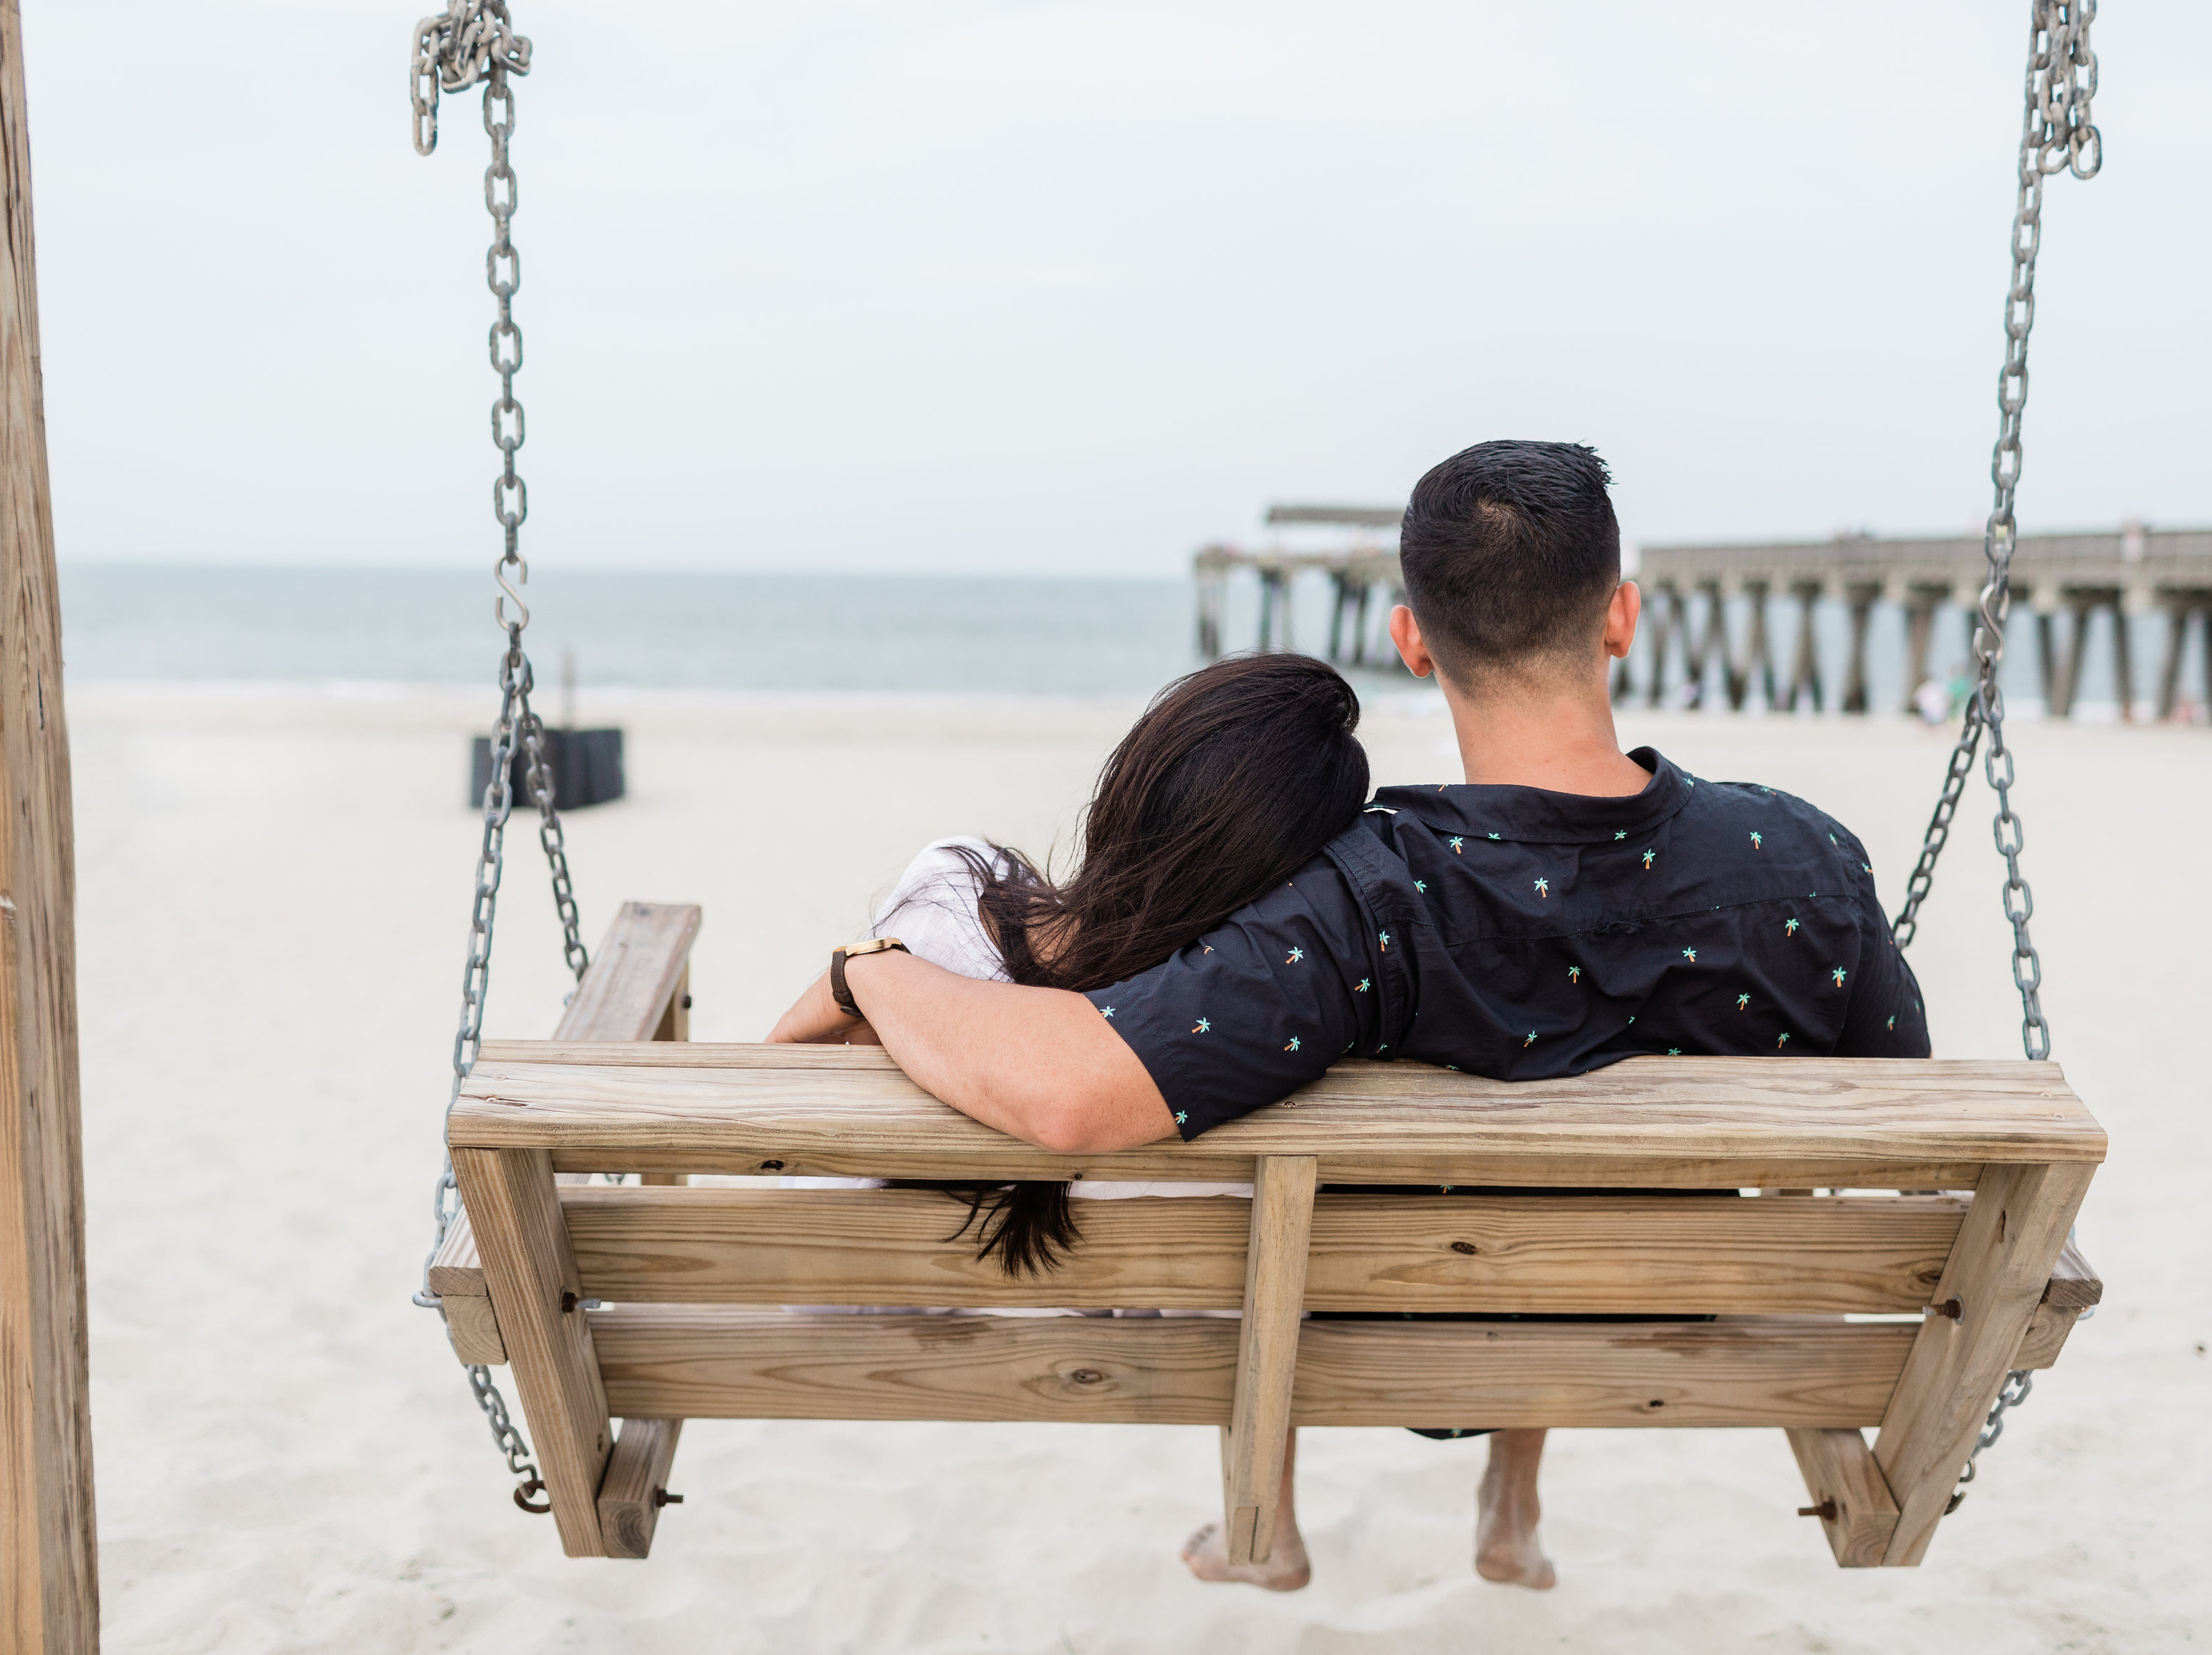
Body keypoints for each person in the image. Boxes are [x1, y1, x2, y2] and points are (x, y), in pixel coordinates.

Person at [774, 439, 1928, 1593]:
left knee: (1277, 1114)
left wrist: (868, 970)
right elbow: (1912, 1140)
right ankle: (1513, 1500)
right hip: (1649, 1326)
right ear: (1621, 617)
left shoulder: (1364, 904)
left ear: (1412, 640)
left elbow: (1075, 1094)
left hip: (1398, 1335)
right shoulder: (1806, 866)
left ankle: (1262, 1519)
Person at [772, 651, 1370, 1272]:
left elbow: (806, 1202)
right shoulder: (1243, 1069)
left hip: (841, 1339)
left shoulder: (948, 896)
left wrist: (862, 972)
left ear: (1132, 780)